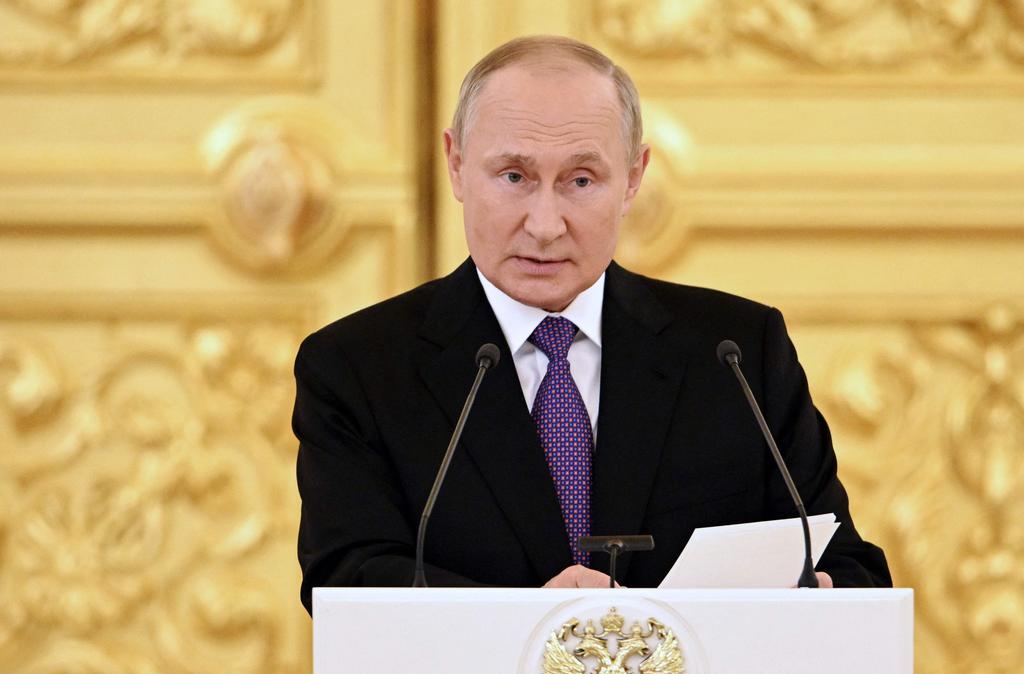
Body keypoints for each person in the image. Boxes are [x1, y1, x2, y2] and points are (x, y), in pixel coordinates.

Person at [292, 36, 890, 612]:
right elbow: (347, 583)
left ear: (633, 178)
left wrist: (811, 598)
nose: (546, 224)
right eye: (514, 177)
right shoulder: (358, 368)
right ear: (455, 165)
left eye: (581, 180)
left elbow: (851, 569)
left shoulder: (734, 352)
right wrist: (536, 620)